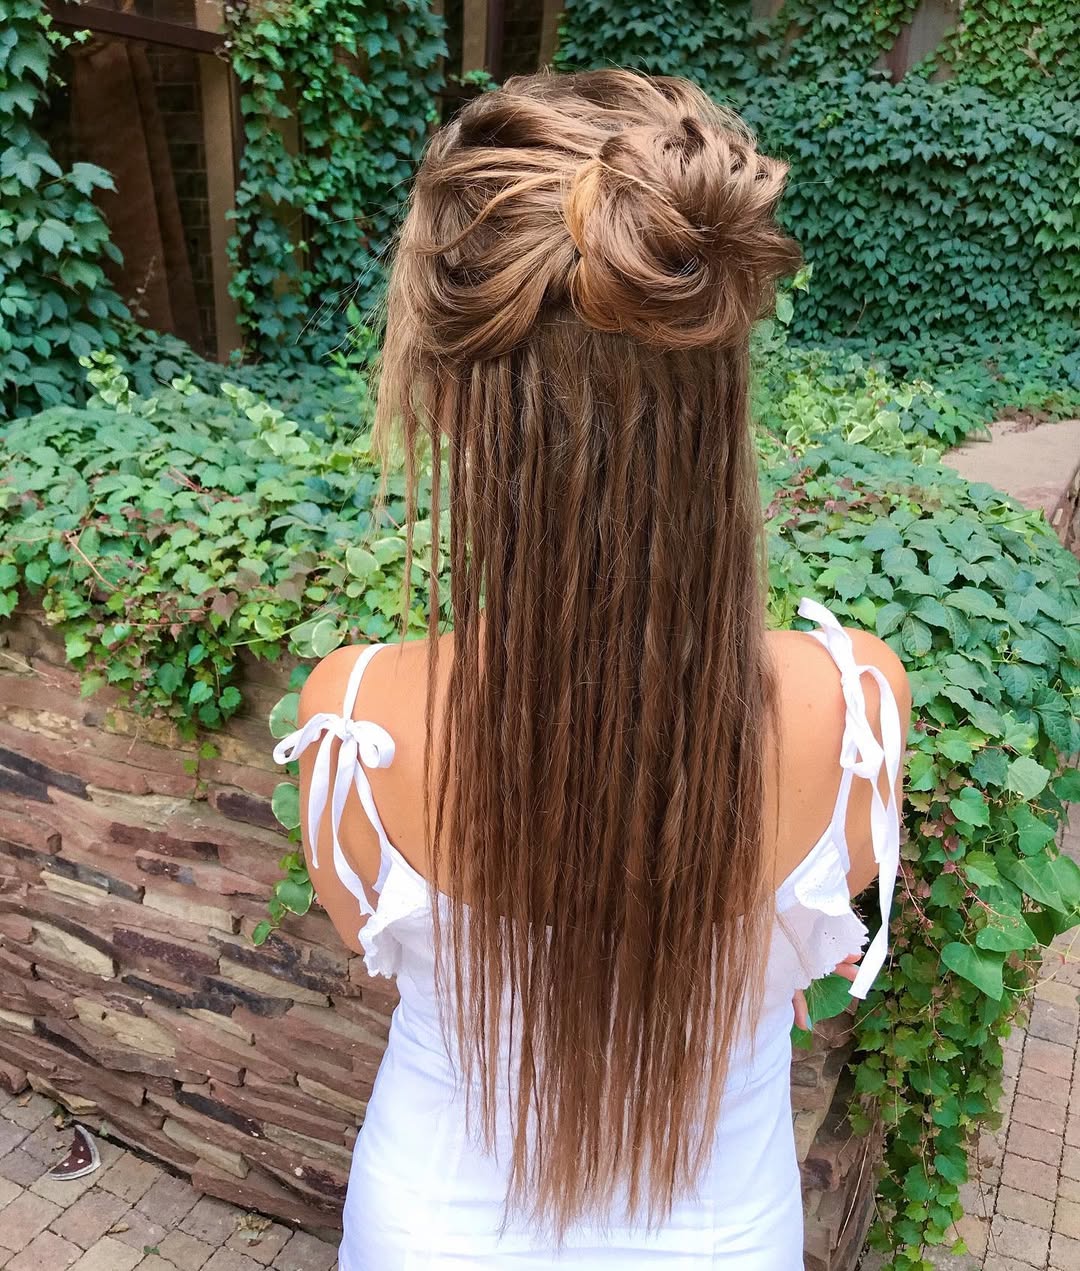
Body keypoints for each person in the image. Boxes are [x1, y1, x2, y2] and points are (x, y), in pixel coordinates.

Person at [274, 68, 911, 1270]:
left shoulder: (357, 716)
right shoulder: (857, 703)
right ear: (721, 384)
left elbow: (378, 951)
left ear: (451, 403)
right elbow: (821, 954)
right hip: (726, 1237)